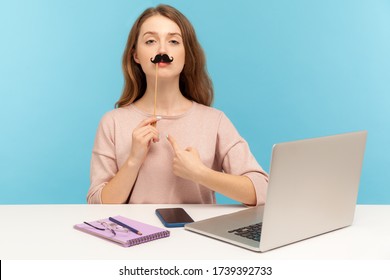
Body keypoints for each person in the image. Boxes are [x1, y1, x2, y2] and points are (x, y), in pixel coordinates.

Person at [87, 4, 268, 206]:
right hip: (138, 236)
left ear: (187, 54)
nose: (162, 50)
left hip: (196, 237)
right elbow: (97, 205)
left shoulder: (214, 121)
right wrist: (133, 160)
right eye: (150, 41)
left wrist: (201, 174)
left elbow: (262, 189)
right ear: (136, 55)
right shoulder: (113, 123)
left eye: (173, 41)